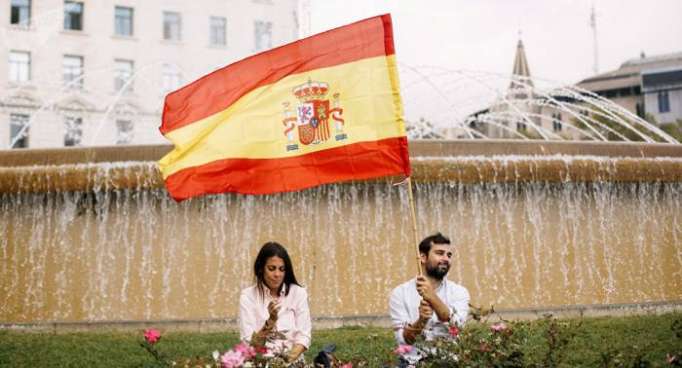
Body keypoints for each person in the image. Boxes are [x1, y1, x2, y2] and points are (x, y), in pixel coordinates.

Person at [389, 233, 470, 352]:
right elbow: (404, 340)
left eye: (449, 255)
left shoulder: (459, 292)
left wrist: (432, 297)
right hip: (412, 362)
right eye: (439, 253)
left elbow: (458, 326)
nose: (446, 259)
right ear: (422, 257)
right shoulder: (400, 293)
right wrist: (421, 320)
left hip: (449, 361)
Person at [239, 242, 311, 363]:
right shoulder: (248, 296)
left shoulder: (298, 293)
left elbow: (303, 337)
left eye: (281, 269)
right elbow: (249, 346)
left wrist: (286, 361)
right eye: (271, 269)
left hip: (292, 362)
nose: (277, 274)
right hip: (260, 362)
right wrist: (270, 322)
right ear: (261, 269)